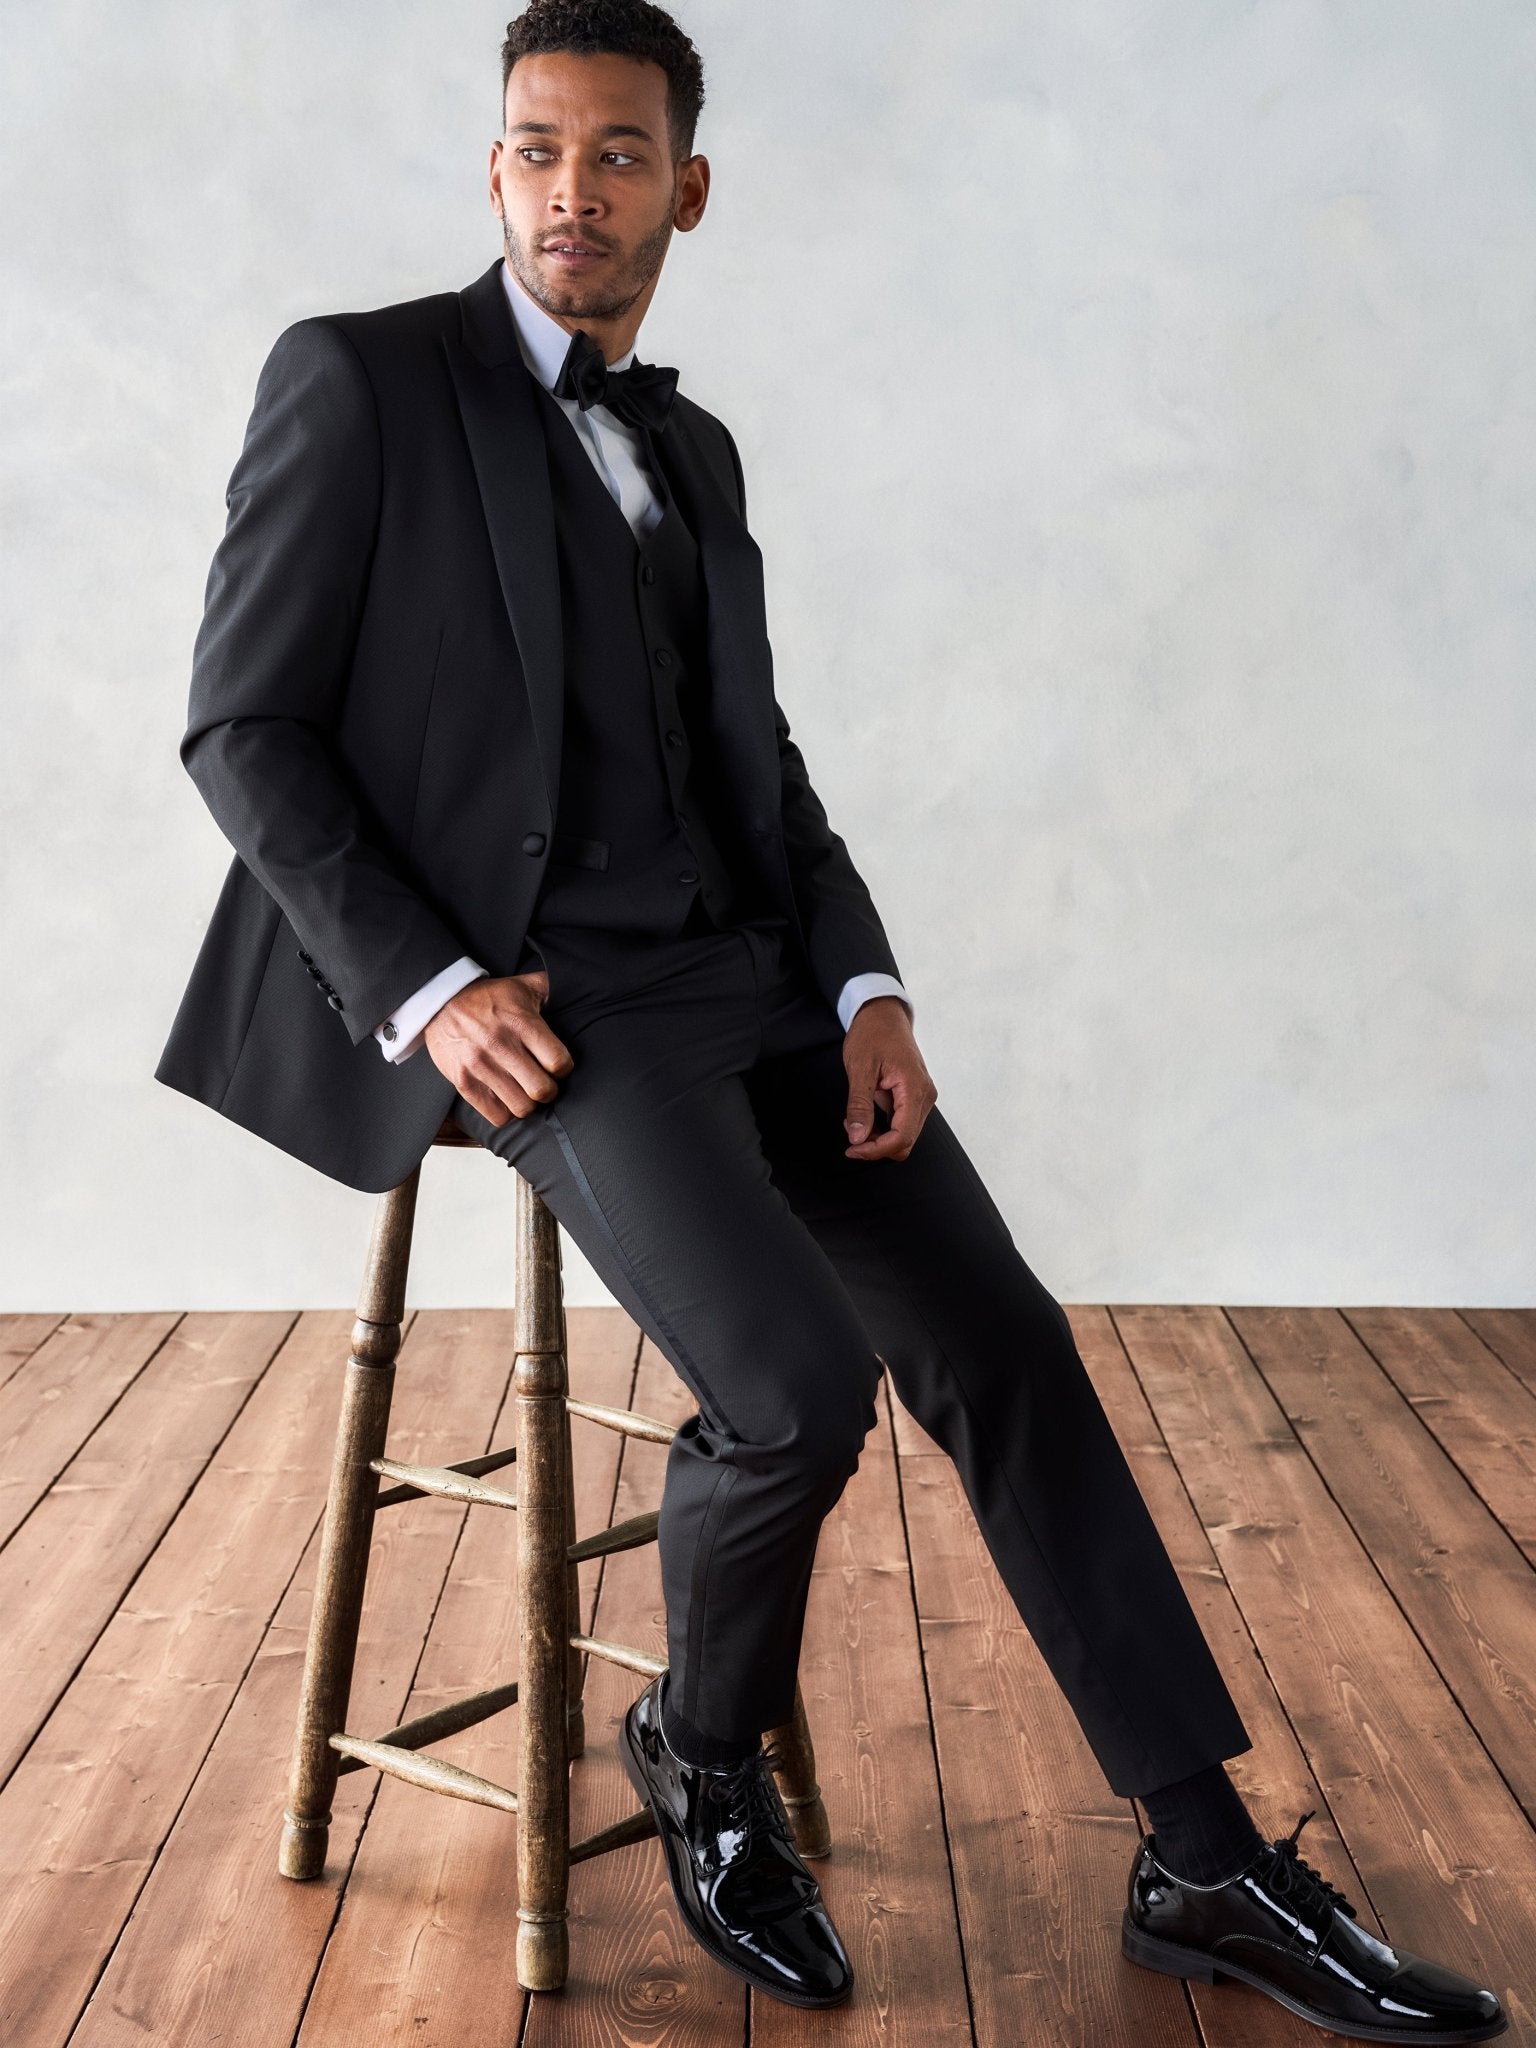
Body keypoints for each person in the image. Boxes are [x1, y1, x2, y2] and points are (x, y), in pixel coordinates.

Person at [155, 3, 1507, 2035]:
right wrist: (429, 991)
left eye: (620, 158)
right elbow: (241, 729)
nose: (573, 194)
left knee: (1010, 1351)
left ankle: (1204, 1858)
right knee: (794, 1389)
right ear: (489, 166)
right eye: (535, 150)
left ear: (686, 188)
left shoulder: (687, 445)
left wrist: (867, 981)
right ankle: (700, 1755)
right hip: (555, 1008)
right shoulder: (358, 383)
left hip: (759, 984)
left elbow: (756, 759)